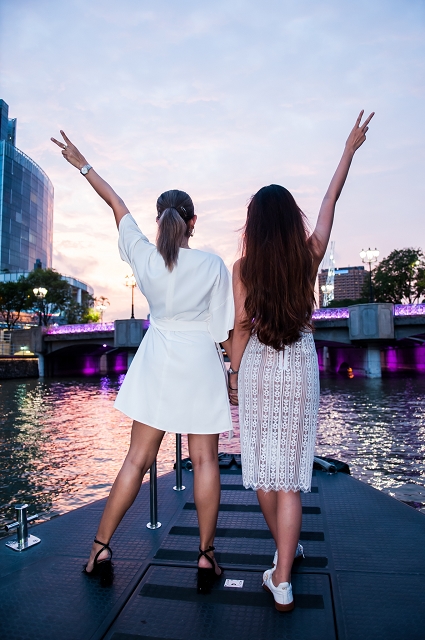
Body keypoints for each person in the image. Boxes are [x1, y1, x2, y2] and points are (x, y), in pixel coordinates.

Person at [51, 131, 234, 593]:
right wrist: (230, 371)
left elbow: (116, 206)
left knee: (136, 460)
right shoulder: (213, 265)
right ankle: (206, 557)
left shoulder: (145, 257)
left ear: (159, 221)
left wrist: (83, 164)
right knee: (205, 460)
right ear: (194, 221)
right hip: (197, 362)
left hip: (156, 363)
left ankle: (100, 548)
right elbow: (221, 330)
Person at [228, 111, 374, 611]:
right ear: (292, 220)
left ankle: (282, 564)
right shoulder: (308, 254)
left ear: (253, 226)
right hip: (298, 364)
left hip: (259, 367)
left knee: (266, 472)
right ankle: (284, 573)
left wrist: (232, 375)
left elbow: (241, 327)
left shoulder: (243, 267)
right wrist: (348, 150)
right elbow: (330, 200)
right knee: (291, 474)